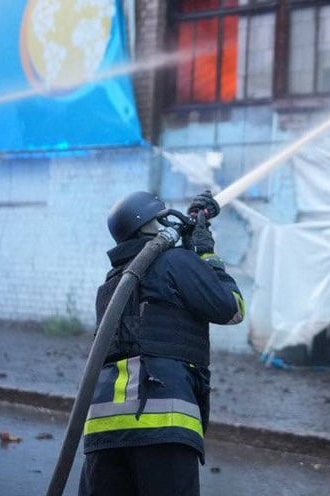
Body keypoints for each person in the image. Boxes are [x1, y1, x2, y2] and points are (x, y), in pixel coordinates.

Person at [79, 190, 245, 496]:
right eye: (163, 216)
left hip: (103, 431)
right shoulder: (175, 262)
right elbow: (231, 308)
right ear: (152, 226)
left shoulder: (111, 283)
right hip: (163, 423)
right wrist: (208, 256)